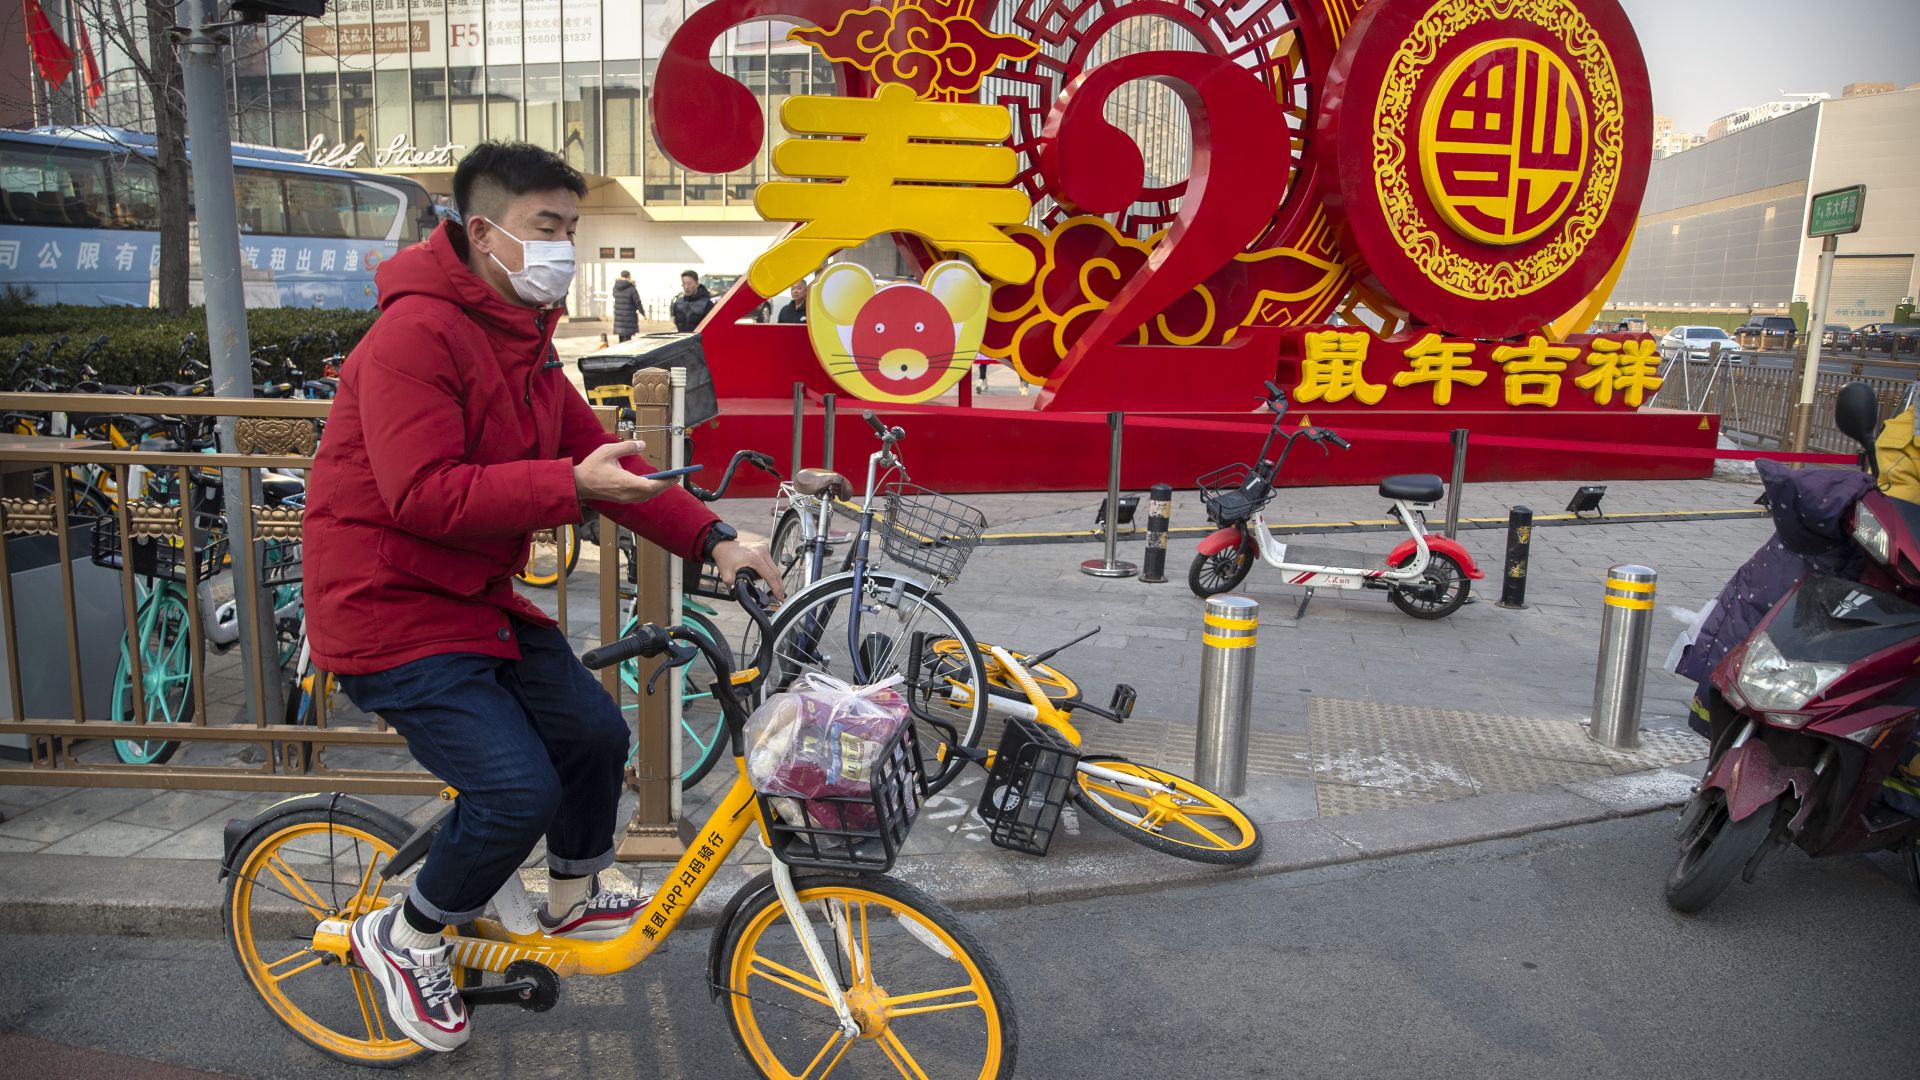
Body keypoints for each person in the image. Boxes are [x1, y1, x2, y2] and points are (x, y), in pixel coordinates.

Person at [302, 141, 782, 1054]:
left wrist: (719, 538)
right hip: (385, 609)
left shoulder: (520, 338)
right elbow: (424, 493)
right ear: (486, 233)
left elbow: (618, 470)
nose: (565, 246)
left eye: (573, 227)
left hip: (470, 596)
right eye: (548, 228)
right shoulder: (414, 335)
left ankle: (574, 889)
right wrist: (574, 489)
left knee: (595, 734)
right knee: (514, 789)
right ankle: (405, 938)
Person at [610, 270, 639, 342]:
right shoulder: (631, 288)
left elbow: (614, 295)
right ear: (629, 276)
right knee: (627, 339)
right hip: (629, 316)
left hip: (619, 316)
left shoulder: (616, 287)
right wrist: (643, 313)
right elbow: (637, 301)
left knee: (621, 337)